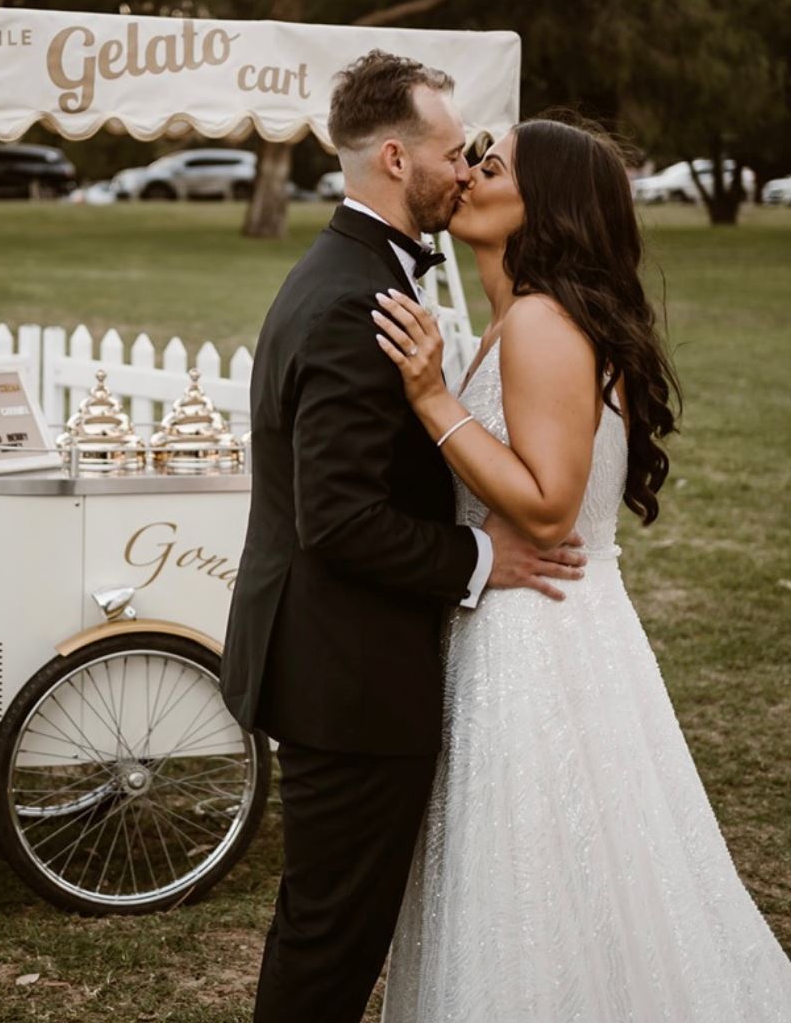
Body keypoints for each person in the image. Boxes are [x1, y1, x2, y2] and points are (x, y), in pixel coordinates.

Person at [373, 117, 791, 1021]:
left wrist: (432, 398)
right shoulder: (516, 322)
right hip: (537, 620)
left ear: (547, 203)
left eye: (495, 165)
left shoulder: (541, 324)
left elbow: (551, 504)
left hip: (542, 634)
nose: (473, 174)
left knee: (539, 870)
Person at [219, 52, 586, 1023]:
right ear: (394, 157)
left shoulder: (351, 269)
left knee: (323, 923)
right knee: (332, 939)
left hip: (331, 655)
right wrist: (478, 558)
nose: (461, 171)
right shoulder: (354, 297)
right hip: (347, 671)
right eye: (447, 152)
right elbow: (337, 516)